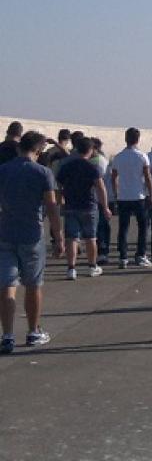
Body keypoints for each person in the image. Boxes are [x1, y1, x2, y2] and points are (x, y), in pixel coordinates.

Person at [0, 132, 64, 353]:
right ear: (38, 151)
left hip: (6, 232)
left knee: (8, 286)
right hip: (32, 235)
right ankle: (32, 331)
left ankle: (7, 335)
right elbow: (52, 207)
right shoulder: (43, 173)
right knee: (33, 284)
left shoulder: (4, 170)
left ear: (19, 147)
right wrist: (58, 237)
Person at [56, 137, 113, 280]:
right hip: (89, 205)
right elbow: (101, 188)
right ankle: (92, 266)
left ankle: (71, 268)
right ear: (90, 150)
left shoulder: (67, 166)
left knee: (72, 238)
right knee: (91, 238)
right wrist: (105, 206)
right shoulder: (91, 167)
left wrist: (60, 199)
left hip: (71, 205)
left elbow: (58, 184)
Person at [110, 127, 152, 268]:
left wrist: (116, 192)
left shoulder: (118, 157)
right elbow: (148, 177)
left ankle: (123, 257)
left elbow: (113, 177)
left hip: (123, 197)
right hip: (139, 196)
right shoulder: (142, 156)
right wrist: (151, 194)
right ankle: (140, 255)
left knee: (123, 228)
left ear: (126, 139)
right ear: (138, 139)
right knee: (143, 226)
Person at [91, 137, 112, 265]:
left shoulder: (98, 162)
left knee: (101, 227)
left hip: (99, 198)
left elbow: (101, 184)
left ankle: (102, 252)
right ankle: (101, 252)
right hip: (99, 198)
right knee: (99, 227)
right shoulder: (100, 160)